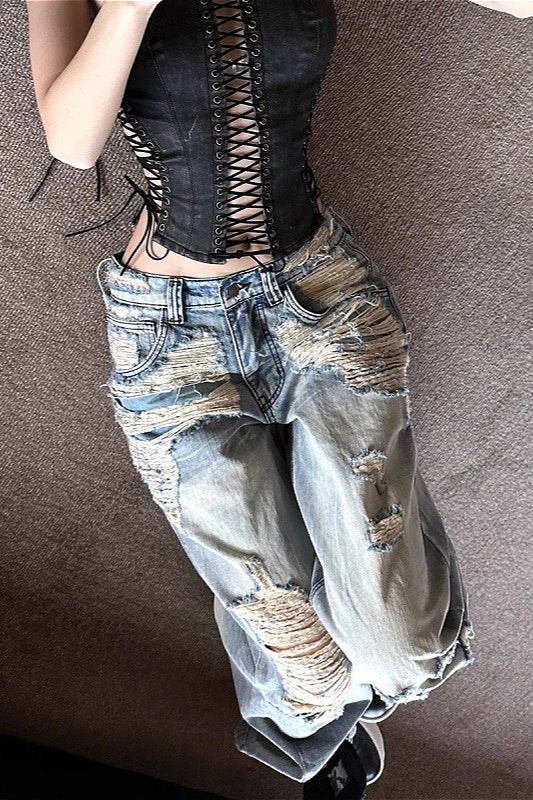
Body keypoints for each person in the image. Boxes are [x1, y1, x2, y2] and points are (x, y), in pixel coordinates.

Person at [27, 0, 531, 796]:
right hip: (170, 337)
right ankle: (316, 692)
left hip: (318, 300)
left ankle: (311, 657)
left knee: (405, 654)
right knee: (312, 677)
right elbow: (72, 140)